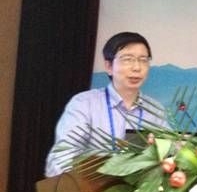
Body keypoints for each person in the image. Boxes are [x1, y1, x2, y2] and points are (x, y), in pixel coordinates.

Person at [45, 32, 167, 177]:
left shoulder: (155, 110)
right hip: (89, 187)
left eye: (143, 60)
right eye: (127, 59)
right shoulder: (84, 104)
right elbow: (60, 158)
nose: (137, 67)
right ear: (109, 66)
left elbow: (169, 153)